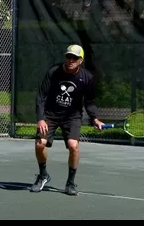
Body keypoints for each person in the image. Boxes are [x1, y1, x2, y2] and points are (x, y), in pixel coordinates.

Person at [31, 44, 104, 196]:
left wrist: (95, 118)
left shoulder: (86, 78)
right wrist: (40, 119)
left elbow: (89, 102)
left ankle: (70, 183)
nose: (71, 60)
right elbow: (41, 96)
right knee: (40, 144)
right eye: (68, 56)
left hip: (72, 116)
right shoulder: (54, 71)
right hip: (50, 114)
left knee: (73, 146)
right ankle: (43, 175)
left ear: (81, 60)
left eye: (75, 58)